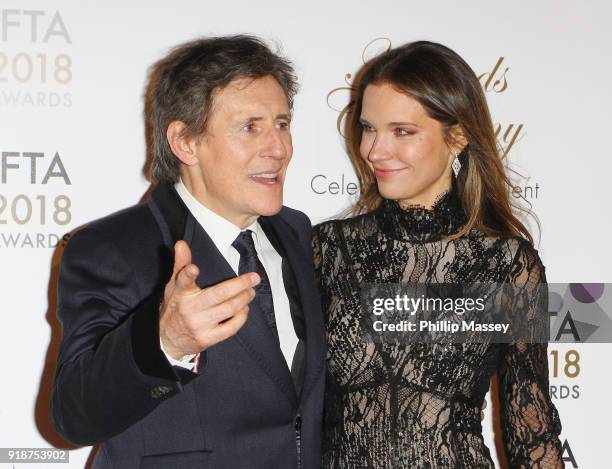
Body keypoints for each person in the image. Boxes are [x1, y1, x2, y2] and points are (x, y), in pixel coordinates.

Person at [51, 35, 325, 469]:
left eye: (282, 123)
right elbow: (74, 418)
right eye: (250, 127)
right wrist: (166, 341)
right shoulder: (112, 249)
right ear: (184, 142)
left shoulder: (297, 232)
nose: (279, 148)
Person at [312, 41, 563, 468]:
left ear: (458, 136)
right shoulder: (327, 250)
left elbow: (530, 435)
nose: (374, 150)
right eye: (369, 128)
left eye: (402, 132)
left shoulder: (505, 264)